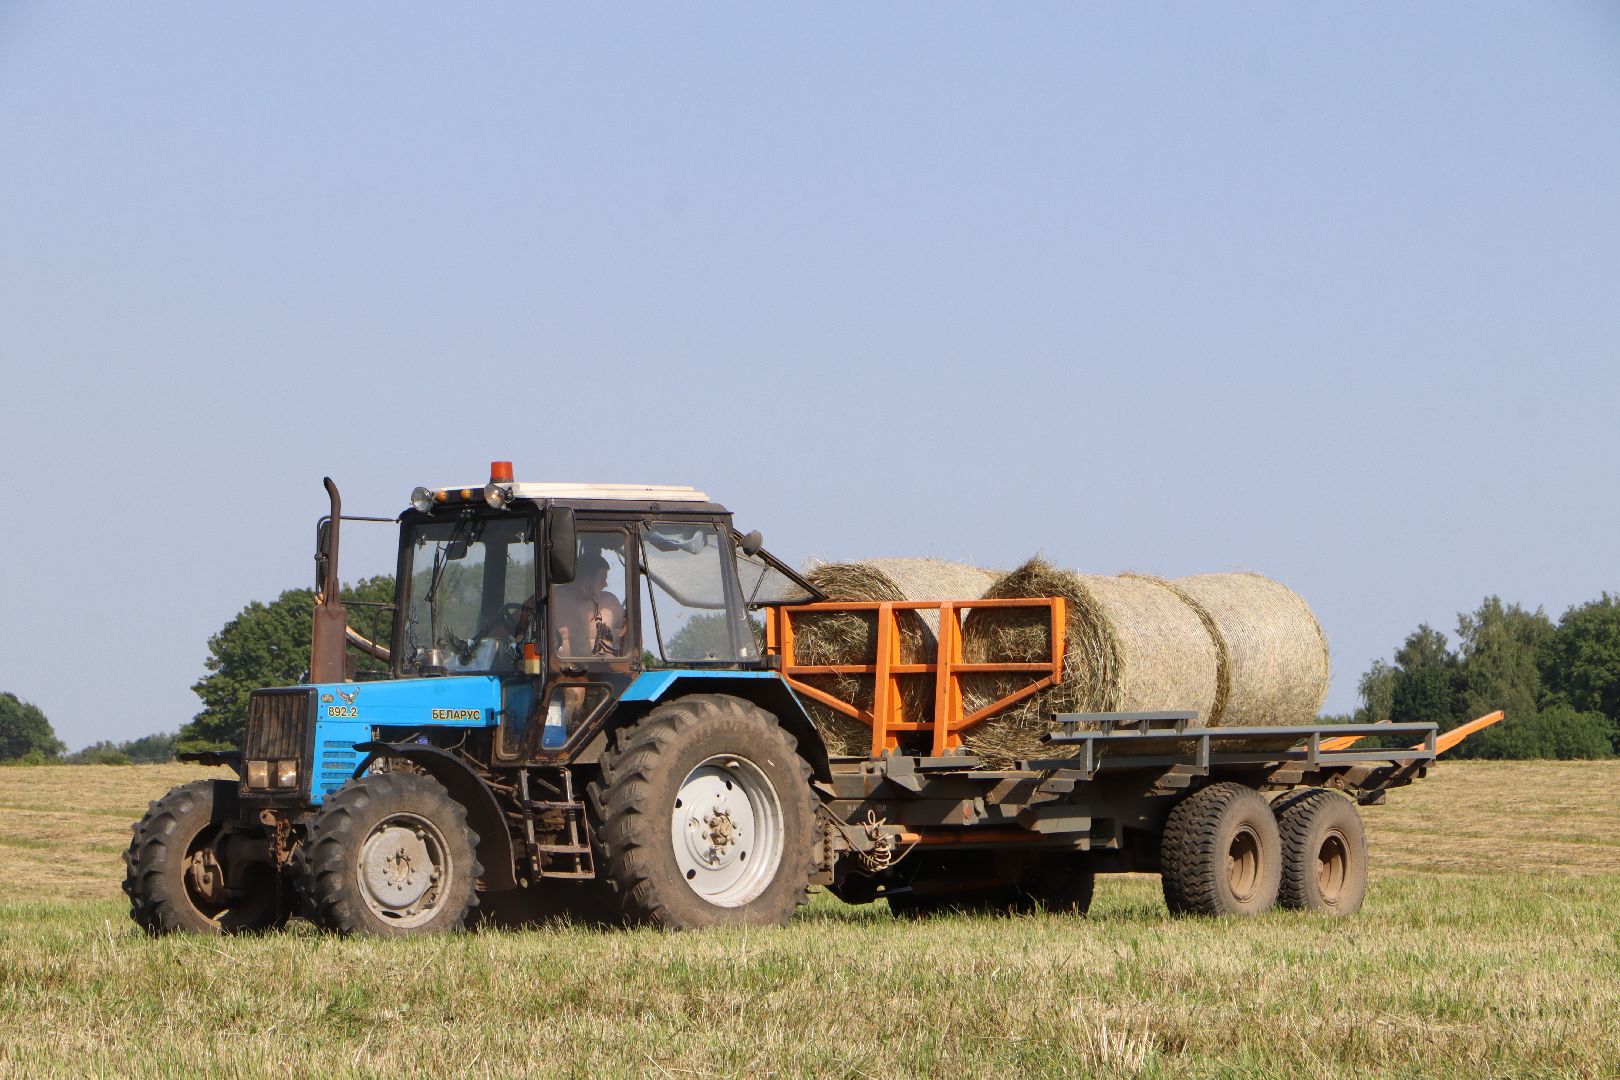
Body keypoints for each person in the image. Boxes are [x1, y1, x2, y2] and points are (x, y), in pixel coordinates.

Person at [552, 551, 624, 657]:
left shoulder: (610, 602)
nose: (605, 584)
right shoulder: (554, 599)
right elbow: (526, 614)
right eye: (602, 578)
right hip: (562, 667)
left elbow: (630, 625)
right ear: (587, 578)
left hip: (605, 667)